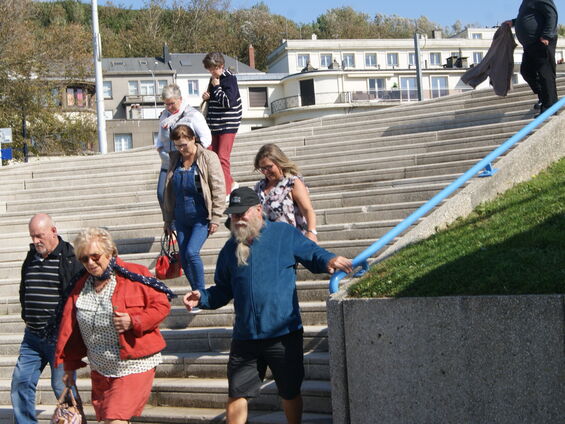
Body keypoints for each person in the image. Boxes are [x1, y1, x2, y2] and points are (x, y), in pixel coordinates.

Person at [183, 187, 353, 424]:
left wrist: (329, 260)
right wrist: (202, 297)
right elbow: (223, 290)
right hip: (245, 336)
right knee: (237, 393)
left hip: (283, 333)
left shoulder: (283, 233)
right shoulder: (229, 249)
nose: (238, 218)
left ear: (258, 210)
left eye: (243, 213)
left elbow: (312, 252)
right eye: (234, 215)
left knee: (290, 391)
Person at [55, 227, 174, 424]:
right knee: (113, 418)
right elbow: (72, 332)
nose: (90, 263)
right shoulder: (80, 285)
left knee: (114, 419)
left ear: (110, 252)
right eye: (84, 259)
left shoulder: (136, 275)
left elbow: (161, 306)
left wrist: (134, 321)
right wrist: (69, 368)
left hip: (134, 365)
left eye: (95, 256)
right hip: (101, 369)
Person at [11, 213, 83, 424]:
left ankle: (73, 421)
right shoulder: (31, 255)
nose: (35, 241)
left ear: (53, 231)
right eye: (32, 236)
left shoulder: (70, 257)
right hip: (32, 335)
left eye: (39, 236)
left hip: (59, 337)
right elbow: (24, 288)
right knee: (21, 382)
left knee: (61, 386)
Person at [163, 124, 225, 313]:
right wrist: (167, 220)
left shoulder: (207, 157)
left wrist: (216, 217)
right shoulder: (174, 160)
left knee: (191, 252)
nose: (181, 149)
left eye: (184, 145)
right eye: (177, 146)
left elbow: (218, 187)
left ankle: (200, 293)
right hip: (181, 217)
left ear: (193, 139)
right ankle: (194, 293)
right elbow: (168, 192)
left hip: (201, 217)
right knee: (183, 256)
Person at [156, 83, 212, 213]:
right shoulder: (164, 116)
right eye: (166, 104)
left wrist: (192, 155)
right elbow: (160, 137)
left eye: (172, 104)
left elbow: (206, 139)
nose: (169, 108)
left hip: (186, 161)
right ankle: (170, 224)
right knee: (161, 194)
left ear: (180, 99)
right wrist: (159, 148)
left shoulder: (193, 115)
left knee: (179, 196)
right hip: (167, 161)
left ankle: (177, 224)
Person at [253, 143, 319, 243]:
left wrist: (311, 232)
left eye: (269, 167)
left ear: (279, 163)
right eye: (262, 169)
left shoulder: (292, 183)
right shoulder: (259, 186)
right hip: (266, 242)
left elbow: (307, 210)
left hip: (291, 242)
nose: (266, 172)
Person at [505, 0, 558, 115]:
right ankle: (544, 98)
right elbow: (530, 16)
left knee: (545, 74)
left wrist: (547, 35)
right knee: (526, 71)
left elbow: (552, 14)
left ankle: (550, 106)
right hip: (530, 45)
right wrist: (513, 22)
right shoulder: (526, 2)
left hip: (542, 41)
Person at [201, 52, 242, 193]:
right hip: (214, 125)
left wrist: (217, 88)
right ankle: (230, 183)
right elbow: (215, 99)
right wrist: (207, 97)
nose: (211, 71)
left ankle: (226, 191)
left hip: (227, 125)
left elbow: (228, 102)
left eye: (213, 68)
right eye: (209, 69)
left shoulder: (229, 79)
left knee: (223, 158)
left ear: (221, 66)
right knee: (212, 156)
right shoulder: (213, 80)